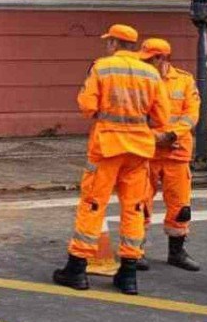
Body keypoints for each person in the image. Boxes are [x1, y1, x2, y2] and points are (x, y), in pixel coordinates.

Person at [53, 24, 170, 295]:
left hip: (106, 147)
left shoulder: (102, 67)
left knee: (94, 204)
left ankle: (77, 268)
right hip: (138, 150)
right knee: (134, 209)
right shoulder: (151, 73)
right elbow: (163, 118)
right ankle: (128, 273)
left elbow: (86, 106)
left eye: (108, 41)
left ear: (114, 44)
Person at [137, 38, 201, 272]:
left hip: (177, 152)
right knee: (140, 203)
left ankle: (177, 252)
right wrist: (155, 137)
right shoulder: (141, 80)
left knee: (180, 206)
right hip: (148, 151)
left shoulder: (184, 80)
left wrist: (171, 135)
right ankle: (136, 250)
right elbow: (136, 114)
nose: (147, 63)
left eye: (150, 58)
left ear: (162, 58)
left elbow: (191, 114)